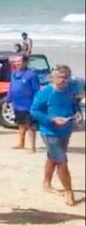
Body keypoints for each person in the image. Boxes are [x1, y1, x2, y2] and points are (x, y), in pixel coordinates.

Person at [30, 65, 83, 206]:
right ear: (52, 77)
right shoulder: (46, 92)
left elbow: (75, 105)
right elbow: (34, 111)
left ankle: (46, 184)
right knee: (61, 160)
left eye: (66, 77)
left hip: (66, 130)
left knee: (52, 157)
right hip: (50, 131)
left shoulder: (71, 89)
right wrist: (51, 119)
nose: (64, 80)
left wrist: (78, 115)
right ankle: (69, 191)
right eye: (60, 76)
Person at [7, 55, 40, 153]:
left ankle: (32, 147)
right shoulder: (13, 74)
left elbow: (36, 90)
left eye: (19, 61)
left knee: (30, 125)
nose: (17, 63)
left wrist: (36, 103)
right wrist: (8, 98)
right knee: (20, 124)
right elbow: (11, 87)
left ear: (25, 62)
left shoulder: (32, 75)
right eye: (16, 61)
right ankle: (21, 143)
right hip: (17, 103)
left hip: (28, 104)